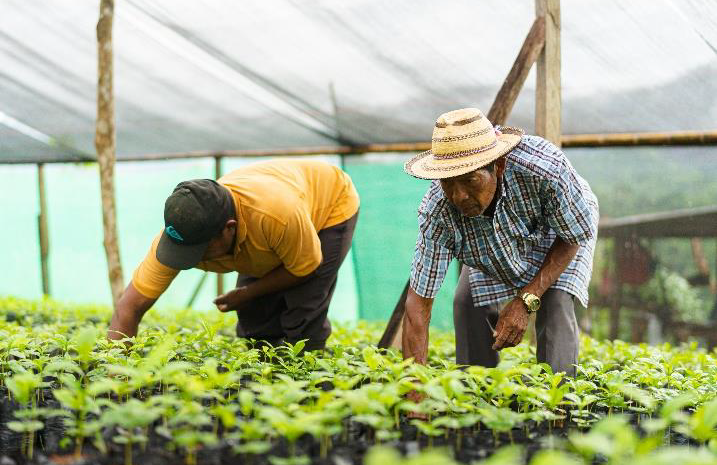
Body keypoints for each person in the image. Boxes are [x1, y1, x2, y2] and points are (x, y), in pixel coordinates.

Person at [402, 108, 598, 377]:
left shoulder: (544, 169)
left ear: (500, 165)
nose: (459, 197)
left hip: (558, 232)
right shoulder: (437, 211)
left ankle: (558, 411)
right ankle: (477, 400)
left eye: (470, 181)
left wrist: (525, 300)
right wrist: (415, 389)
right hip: (491, 242)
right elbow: (418, 304)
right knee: (467, 303)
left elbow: (573, 236)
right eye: (448, 183)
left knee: (555, 303)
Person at [108, 159, 359, 351]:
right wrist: (114, 378)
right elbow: (129, 308)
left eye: (200, 250)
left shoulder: (276, 215)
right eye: (182, 251)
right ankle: (268, 387)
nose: (195, 260)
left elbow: (304, 269)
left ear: (229, 229)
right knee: (255, 319)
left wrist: (247, 292)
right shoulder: (183, 231)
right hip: (271, 224)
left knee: (303, 314)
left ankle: (311, 398)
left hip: (328, 206)